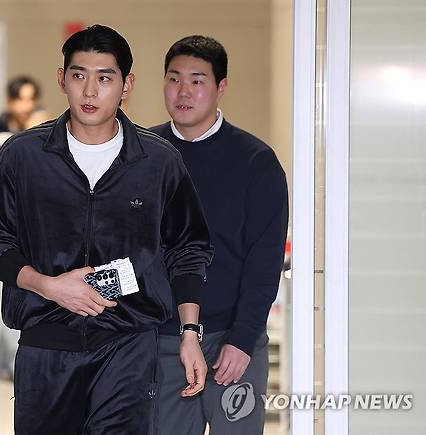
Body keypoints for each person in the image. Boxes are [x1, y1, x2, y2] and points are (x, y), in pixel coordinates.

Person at [0, 25, 214, 435]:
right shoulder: (23, 156)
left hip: (128, 348)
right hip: (46, 348)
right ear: (61, 79)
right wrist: (47, 285)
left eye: (105, 77)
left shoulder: (158, 162)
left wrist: (189, 332)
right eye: (79, 75)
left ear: (126, 85)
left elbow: (188, 247)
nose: (90, 91)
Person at [150, 35, 289, 434]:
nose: (183, 92)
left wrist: (243, 339)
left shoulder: (255, 161)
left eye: (197, 81)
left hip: (233, 340)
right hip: (163, 342)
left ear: (220, 86)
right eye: (174, 79)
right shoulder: (143, 156)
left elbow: (264, 263)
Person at [0, 76, 50, 166]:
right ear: (9, 101)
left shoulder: (45, 126)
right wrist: (28, 134)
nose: (27, 107)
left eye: (31, 99)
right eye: (21, 99)